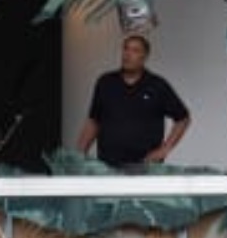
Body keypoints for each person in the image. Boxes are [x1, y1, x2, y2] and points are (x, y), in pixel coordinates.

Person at [77, 34, 190, 169]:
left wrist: (164, 150)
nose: (128, 54)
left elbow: (183, 119)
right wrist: (79, 154)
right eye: (126, 49)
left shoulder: (157, 85)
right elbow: (94, 121)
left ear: (145, 56)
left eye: (135, 50)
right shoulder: (105, 82)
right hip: (108, 166)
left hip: (145, 167)